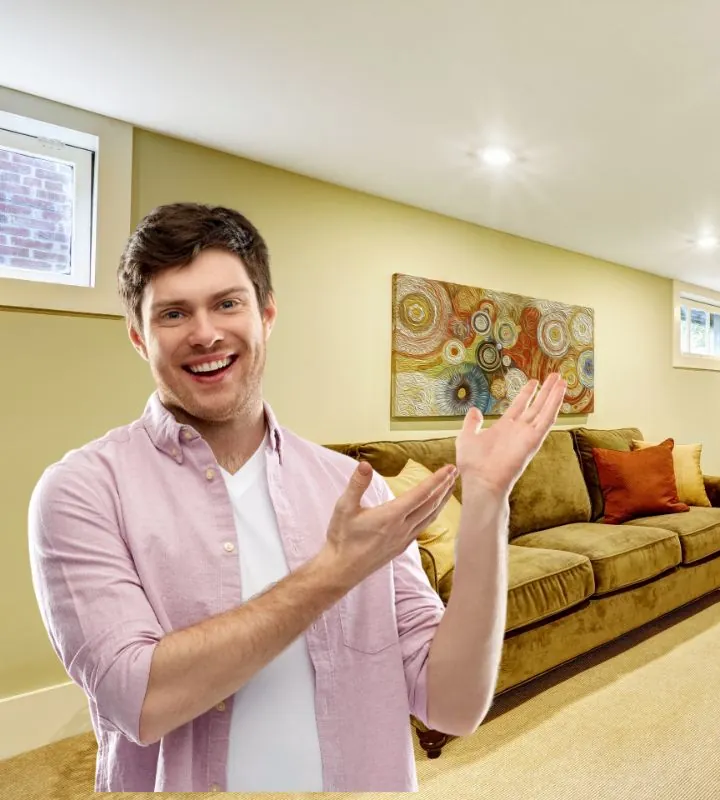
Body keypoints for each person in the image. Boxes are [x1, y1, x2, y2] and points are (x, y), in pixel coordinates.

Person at [27, 202, 567, 792]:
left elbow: (453, 706)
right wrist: (334, 572)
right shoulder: (80, 492)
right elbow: (140, 700)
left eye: (227, 303)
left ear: (267, 314)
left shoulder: (352, 487)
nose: (205, 332)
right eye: (174, 313)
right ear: (139, 337)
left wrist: (488, 502)